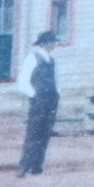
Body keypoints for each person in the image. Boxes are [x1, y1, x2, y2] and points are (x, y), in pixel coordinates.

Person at [16, 31, 60, 176]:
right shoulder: (32, 58)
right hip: (39, 100)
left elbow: (56, 80)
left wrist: (57, 94)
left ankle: (37, 166)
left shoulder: (52, 61)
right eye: (52, 42)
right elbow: (23, 81)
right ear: (44, 43)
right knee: (34, 132)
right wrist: (34, 95)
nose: (54, 45)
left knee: (45, 132)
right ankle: (24, 166)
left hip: (51, 99)